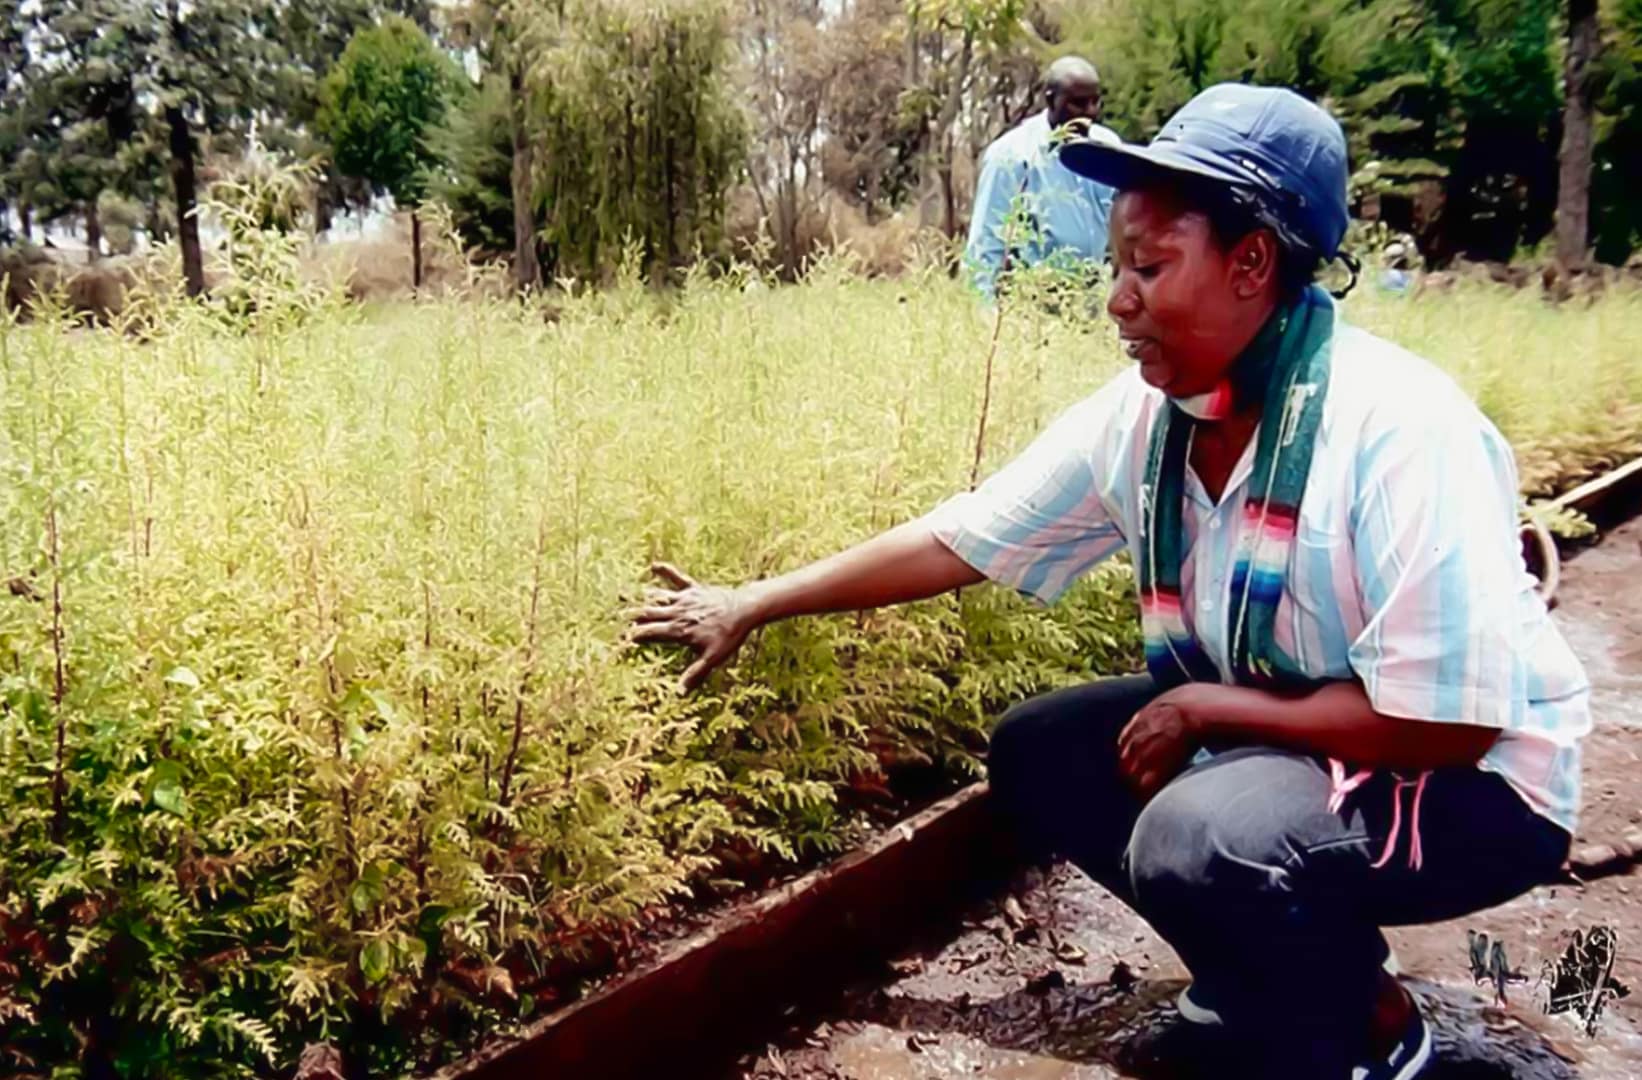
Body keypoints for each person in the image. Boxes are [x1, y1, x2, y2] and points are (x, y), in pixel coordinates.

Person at [630, 83, 1588, 1079]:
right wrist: (753, 602)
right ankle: (1268, 976)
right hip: (1303, 727)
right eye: (1115, 266)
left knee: (1199, 837)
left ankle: (1384, 1039)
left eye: (1149, 266)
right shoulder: (1147, 417)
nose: (1115, 300)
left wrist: (1206, 706)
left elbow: (1453, 723)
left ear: (1251, 263)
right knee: (1046, 753)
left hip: (1473, 790)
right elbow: (961, 537)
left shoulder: (1396, 430)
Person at [963, 56, 1119, 301]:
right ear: (1050, 100)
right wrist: (986, 321)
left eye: (1095, 102)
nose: (1089, 113)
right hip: (1033, 306)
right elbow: (985, 247)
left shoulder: (1108, 148)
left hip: (1092, 304)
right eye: (1078, 104)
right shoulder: (1012, 156)